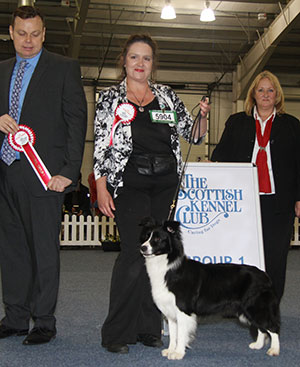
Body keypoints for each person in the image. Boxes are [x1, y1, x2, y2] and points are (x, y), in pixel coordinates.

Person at [93, 34, 210, 354]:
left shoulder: (168, 96)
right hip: (129, 183)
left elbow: (193, 136)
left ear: (152, 64)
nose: (140, 64)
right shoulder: (109, 98)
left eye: (146, 58)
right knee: (133, 254)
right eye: (134, 57)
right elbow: (102, 145)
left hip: (165, 184)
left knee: (158, 257)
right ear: (124, 61)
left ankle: (148, 328)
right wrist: (101, 186)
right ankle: (116, 331)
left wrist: (201, 116)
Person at [0, 6, 87, 345]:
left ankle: (45, 321)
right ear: (11, 33)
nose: (28, 40)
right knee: (12, 249)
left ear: (45, 34)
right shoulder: (2, 70)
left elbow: (76, 120)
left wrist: (68, 171)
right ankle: (17, 316)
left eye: (35, 34)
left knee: (44, 250)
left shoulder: (64, 68)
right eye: (22, 33)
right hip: (6, 172)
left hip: (46, 175)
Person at [211, 70, 300, 302]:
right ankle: (239, 302)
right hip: (243, 202)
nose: (265, 94)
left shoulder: (292, 125)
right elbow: (220, 156)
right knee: (241, 256)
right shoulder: (236, 122)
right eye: (261, 90)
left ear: (278, 95)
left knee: (275, 258)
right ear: (253, 94)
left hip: (279, 203)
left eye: (270, 90)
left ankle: (269, 305)